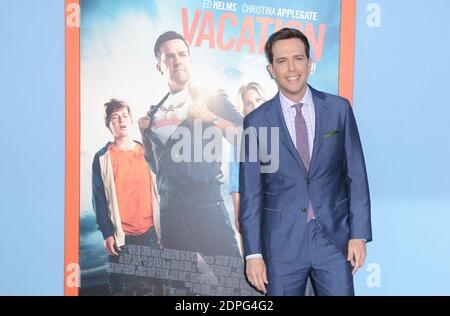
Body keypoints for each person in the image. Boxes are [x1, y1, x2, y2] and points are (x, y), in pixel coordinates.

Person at [240, 28, 372, 296]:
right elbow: (251, 193)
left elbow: (356, 176)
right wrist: (253, 253)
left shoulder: (338, 109)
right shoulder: (256, 122)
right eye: (282, 61)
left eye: (298, 58)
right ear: (271, 69)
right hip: (281, 244)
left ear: (310, 64)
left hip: (333, 241)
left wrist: (358, 234)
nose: (292, 68)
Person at [138, 31, 242, 259]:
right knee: (184, 289)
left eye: (182, 54)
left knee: (233, 287)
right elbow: (158, 169)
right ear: (159, 66)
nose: (177, 61)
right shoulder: (154, 113)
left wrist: (210, 117)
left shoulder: (211, 97)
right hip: (171, 218)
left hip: (206, 210)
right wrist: (145, 137)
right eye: (169, 57)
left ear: (190, 59)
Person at [92, 99, 161, 295]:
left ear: (130, 119)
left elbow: (161, 189)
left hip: (151, 234)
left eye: (124, 116)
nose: (120, 120)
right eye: (115, 117)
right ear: (109, 125)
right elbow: (99, 199)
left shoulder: (145, 150)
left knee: (157, 290)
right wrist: (107, 233)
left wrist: (162, 230)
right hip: (122, 239)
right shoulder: (102, 157)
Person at [229, 82, 268, 232]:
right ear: (244, 109)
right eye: (249, 103)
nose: (255, 106)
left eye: (258, 100)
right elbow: (235, 182)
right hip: (253, 210)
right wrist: (238, 214)